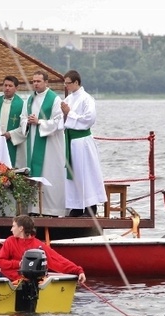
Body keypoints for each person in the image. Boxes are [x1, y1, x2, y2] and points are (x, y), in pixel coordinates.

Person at [61, 70, 107, 217]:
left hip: (82, 141)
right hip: (70, 140)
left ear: (76, 82)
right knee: (73, 174)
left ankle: (90, 206)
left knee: (85, 173)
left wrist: (70, 113)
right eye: (65, 83)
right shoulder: (68, 99)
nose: (66, 86)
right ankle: (76, 206)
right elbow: (62, 119)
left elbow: (89, 119)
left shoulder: (87, 99)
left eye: (68, 83)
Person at [19, 70, 66, 217]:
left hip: (50, 145)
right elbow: (22, 118)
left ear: (46, 82)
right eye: (33, 81)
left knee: (50, 173)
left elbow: (59, 122)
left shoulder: (54, 100)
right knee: (34, 174)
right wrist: (27, 121)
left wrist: (39, 122)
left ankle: (52, 210)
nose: (36, 84)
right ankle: (34, 209)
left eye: (39, 81)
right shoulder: (29, 100)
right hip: (32, 142)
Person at [0, 215, 86, 283]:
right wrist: (18, 264)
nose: (11, 229)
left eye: (13, 226)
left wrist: (78, 271)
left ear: (21, 228)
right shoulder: (10, 241)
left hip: (27, 282)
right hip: (7, 278)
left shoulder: (38, 245)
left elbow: (58, 260)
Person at [0, 76, 26, 168]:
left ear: (16, 88)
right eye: (5, 85)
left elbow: (25, 128)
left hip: (13, 143)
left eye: (10, 86)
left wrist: (10, 134)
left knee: (12, 168)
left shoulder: (22, 104)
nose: (7, 88)